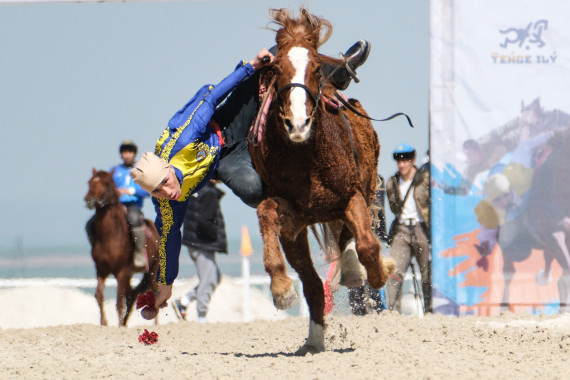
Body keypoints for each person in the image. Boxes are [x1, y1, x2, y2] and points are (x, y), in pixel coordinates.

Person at [130, 42, 372, 310]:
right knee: (254, 193)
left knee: (274, 60)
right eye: (158, 192)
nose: (167, 192)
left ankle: (340, 69)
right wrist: (166, 283)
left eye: (165, 183)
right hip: (224, 159)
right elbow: (169, 239)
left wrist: (250, 66)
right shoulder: (166, 203)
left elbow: (212, 97)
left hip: (227, 124)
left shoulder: (184, 136)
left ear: (166, 169)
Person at [85, 139, 150, 268]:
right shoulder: (115, 170)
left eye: (130, 152)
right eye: (125, 152)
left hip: (132, 205)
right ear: (121, 154)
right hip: (115, 206)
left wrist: (129, 191)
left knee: (134, 219)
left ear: (134, 154)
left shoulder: (141, 170)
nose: (127, 155)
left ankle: (139, 253)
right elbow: (107, 188)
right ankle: (97, 250)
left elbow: (148, 190)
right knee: (90, 224)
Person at [172, 180, 227, 323]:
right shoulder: (209, 192)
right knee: (208, 279)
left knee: (215, 276)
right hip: (202, 243)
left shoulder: (195, 189)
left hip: (195, 242)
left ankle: (184, 301)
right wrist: (215, 238)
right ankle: (201, 316)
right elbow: (205, 221)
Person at [385, 144, 432, 313]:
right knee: (394, 271)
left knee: (427, 273)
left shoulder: (425, 179)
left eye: (405, 160)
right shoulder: (392, 182)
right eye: (399, 160)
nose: (402, 164)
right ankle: (392, 310)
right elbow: (392, 206)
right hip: (402, 229)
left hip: (421, 227)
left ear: (412, 161)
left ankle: (429, 309)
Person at [347, 174, 388, 315]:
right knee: (355, 273)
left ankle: (377, 308)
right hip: (352, 231)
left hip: (369, 231)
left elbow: (379, 209)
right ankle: (359, 311)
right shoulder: (347, 179)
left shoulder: (377, 179)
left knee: (371, 269)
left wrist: (381, 233)